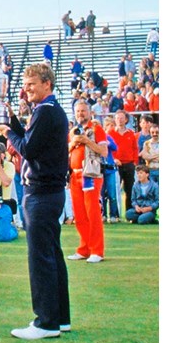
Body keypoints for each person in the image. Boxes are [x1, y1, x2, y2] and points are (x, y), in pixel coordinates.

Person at [0, 62, 70, 340]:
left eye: (32, 85)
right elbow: (30, 139)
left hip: (41, 192)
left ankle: (46, 323)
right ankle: (60, 318)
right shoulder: (49, 111)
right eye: (25, 85)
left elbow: (27, 147)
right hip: (49, 192)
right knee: (52, 254)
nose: (26, 90)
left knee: (41, 258)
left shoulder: (46, 112)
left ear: (47, 84)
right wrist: (13, 122)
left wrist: (7, 133)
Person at [65, 100, 107, 263]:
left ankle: (97, 250)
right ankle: (84, 248)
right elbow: (65, 151)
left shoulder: (97, 129)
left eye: (83, 111)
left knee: (92, 213)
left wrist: (87, 141)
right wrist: (74, 142)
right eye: (78, 111)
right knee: (80, 214)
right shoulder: (72, 132)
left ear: (89, 112)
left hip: (90, 175)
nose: (80, 114)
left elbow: (103, 151)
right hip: (74, 176)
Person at [107, 110, 138, 214]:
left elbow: (135, 148)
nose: (119, 120)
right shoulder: (110, 133)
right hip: (116, 165)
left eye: (121, 118)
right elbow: (108, 149)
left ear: (126, 120)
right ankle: (116, 213)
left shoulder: (131, 134)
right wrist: (114, 159)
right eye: (117, 118)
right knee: (115, 190)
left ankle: (130, 213)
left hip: (129, 164)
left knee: (130, 189)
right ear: (115, 120)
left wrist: (134, 162)